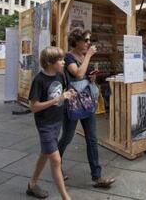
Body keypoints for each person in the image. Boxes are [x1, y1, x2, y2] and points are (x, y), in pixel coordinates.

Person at [58, 29, 115, 188]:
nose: (89, 43)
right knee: (67, 138)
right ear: (76, 42)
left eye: (90, 40)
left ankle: (97, 177)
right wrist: (89, 55)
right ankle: (57, 165)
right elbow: (77, 74)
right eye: (86, 40)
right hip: (73, 103)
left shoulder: (83, 56)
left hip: (87, 102)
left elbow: (85, 76)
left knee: (92, 139)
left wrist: (92, 77)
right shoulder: (69, 57)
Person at [27, 47, 75, 200]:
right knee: (55, 160)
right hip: (45, 125)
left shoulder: (60, 75)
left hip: (56, 123)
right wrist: (58, 99)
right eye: (60, 60)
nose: (63, 62)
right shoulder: (39, 80)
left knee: (44, 154)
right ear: (49, 62)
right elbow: (33, 107)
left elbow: (62, 94)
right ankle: (65, 197)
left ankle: (32, 185)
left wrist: (68, 95)